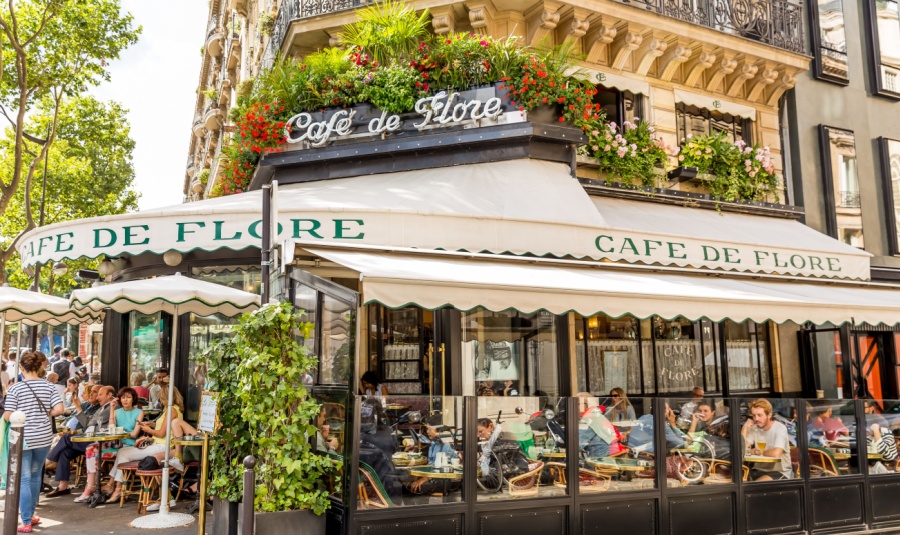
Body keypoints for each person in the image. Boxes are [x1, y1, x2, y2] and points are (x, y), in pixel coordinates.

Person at [3, 351, 64, 533]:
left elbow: (7, 415)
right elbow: (60, 409)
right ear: (39, 367)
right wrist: (45, 414)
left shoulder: (15, 389)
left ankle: (27, 520)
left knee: (24, 478)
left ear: (21, 368)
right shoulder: (49, 387)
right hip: (44, 437)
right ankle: (31, 514)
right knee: (36, 475)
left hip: (24, 438)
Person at [104, 384, 191, 504]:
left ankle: (117, 488)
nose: (159, 400)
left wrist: (148, 431)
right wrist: (152, 424)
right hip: (158, 444)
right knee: (122, 452)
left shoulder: (172, 410)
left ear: (166, 397)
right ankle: (115, 485)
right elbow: (164, 428)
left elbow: (161, 434)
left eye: (161, 397)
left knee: (123, 453)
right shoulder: (171, 409)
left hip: (162, 446)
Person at [75, 387, 145, 503]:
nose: (125, 400)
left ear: (133, 399)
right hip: (116, 444)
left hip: (129, 445)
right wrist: (112, 409)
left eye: (128, 397)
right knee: (91, 449)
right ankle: (91, 486)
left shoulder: (139, 412)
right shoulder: (117, 411)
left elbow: (134, 434)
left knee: (122, 454)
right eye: (123, 397)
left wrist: (122, 433)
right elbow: (111, 429)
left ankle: (111, 485)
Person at [45, 385, 116, 496]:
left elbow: (88, 425)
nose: (97, 397)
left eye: (99, 394)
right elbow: (88, 424)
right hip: (89, 438)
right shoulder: (100, 407)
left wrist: (79, 409)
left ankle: (47, 461)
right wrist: (79, 409)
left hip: (98, 442)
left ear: (109, 395)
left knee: (67, 438)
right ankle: (62, 486)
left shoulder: (110, 407)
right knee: (65, 452)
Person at [742, 398, 793, 481]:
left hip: (779, 472)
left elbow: (776, 453)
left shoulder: (779, 428)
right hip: (758, 470)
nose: (756, 419)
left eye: (759, 415)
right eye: (754, 415)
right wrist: (745, 427)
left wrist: (758, 451)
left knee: (751, 487)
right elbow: (742, 449)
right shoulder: (754, 428)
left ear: (769, 415)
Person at [407, 425, 459, 495]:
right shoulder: (433, 443)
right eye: (427, 429)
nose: (427, 431)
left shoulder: (446, 444)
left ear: (439, 431)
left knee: (417, 488)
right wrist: (417, 477)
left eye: (430, 429)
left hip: (444, 478)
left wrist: (423, 479)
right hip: (433, 476)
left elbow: (440, 467)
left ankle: (442, 492)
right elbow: (430, 463)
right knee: (407, 485)